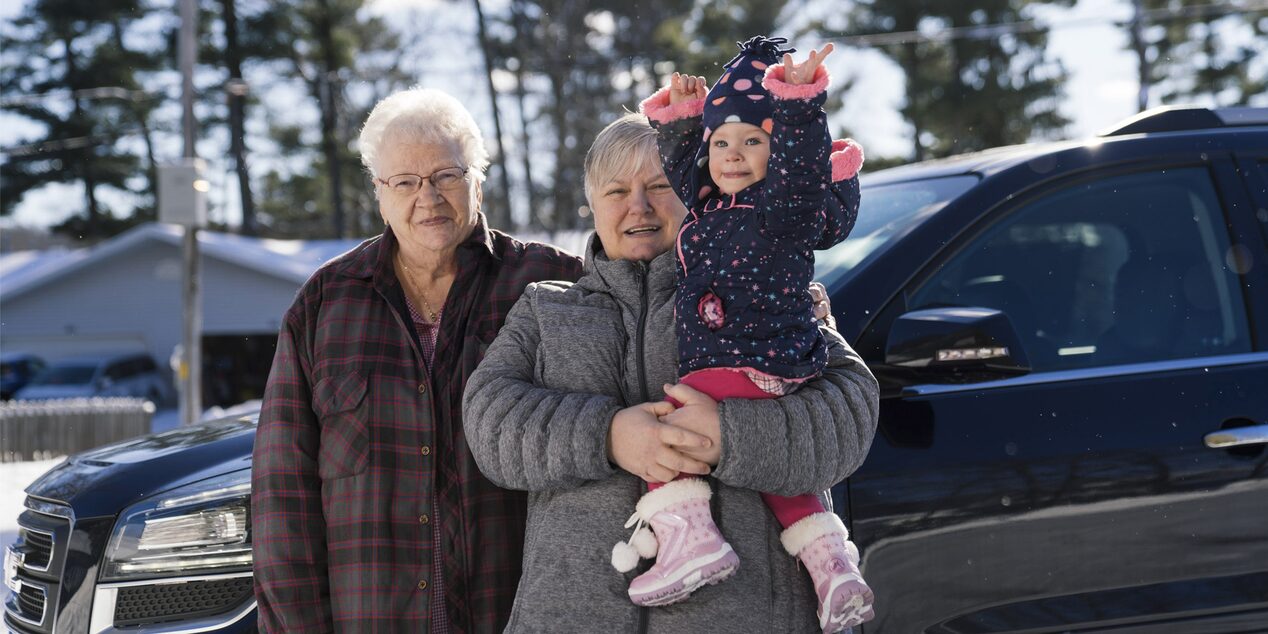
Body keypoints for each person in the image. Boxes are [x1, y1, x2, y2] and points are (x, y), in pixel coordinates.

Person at [462, 112, 878, 632]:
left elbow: (850, 411)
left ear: (694, 190)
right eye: (616, 191)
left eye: (659, 185)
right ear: (592, 204)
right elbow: (488, 419)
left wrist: (732, 437)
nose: (638, 205)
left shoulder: (763, 289)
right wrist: (608, 436)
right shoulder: (546, 310)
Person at [251, 87, 584, 632]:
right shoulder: (324, 304)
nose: (427, 198)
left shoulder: (552, 286)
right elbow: (281, 497)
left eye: (446, 176)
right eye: (405, 182)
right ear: (379, 193)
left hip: (519, 614)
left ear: (477, 179)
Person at [628, 36, 873, 630]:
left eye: (752, 142)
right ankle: (833, 569)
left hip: (749, 361)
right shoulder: (714, 206)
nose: (732, 156)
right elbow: (692, 172)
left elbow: (799, 172)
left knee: (667, 437)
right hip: (748, 363)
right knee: (787, 484)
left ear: (779, 150)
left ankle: (693, 544)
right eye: (721, 143)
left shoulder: (780, 211)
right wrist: (686, 117)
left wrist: (797, 102)